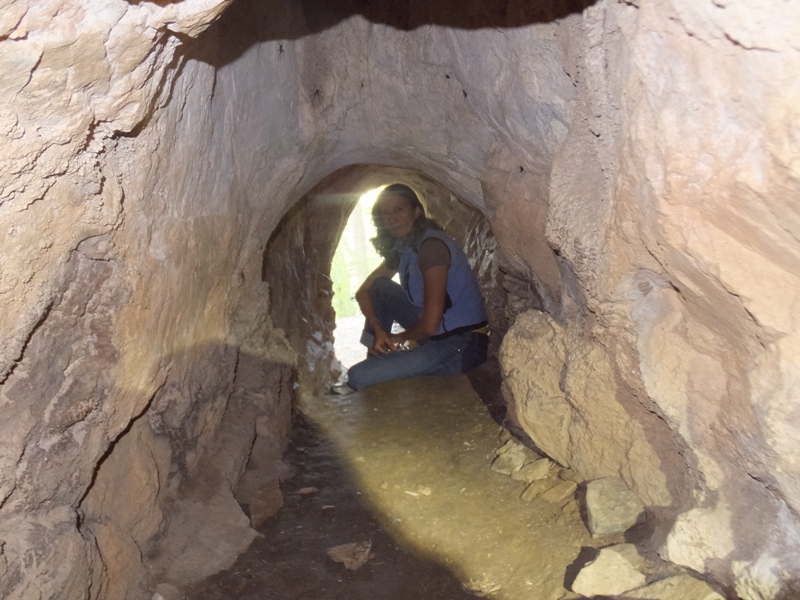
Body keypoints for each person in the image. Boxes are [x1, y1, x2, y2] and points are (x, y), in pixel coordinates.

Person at [344, 184, 488, 391]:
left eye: (398, 210)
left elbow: (429, 325)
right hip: (436, 336)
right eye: (385, 214)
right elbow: (364, 292)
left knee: (357, 376)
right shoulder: (406, 248)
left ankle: (380, 363)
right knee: (380, 288)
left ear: (416, 212)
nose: (391, 218)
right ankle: (378, 353)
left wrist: (397, 337)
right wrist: (378, 330)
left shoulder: (432, 248)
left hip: (461, 345)